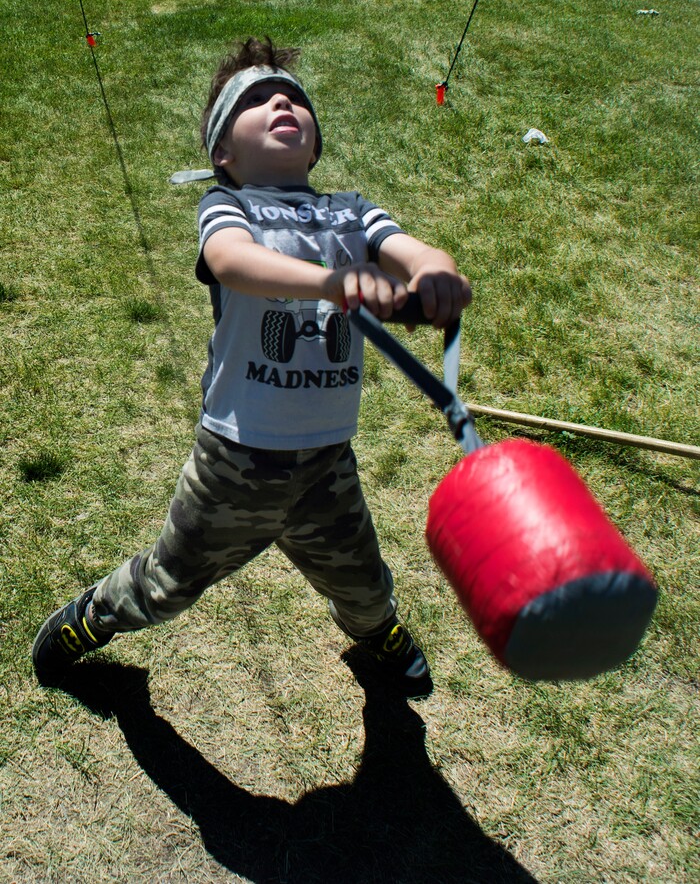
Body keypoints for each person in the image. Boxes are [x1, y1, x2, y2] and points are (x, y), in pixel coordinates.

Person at [32, 37, 471, 698]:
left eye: (294, 97)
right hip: (234, 461)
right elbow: (234, 261)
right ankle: (96, 614)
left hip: (326, 462)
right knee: (167, 584)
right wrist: (334, 282)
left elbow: (414, 250)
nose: (281, 101)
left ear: (314, 143)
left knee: (363, 580)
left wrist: (434, 273)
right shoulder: (227, 206)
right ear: (222, 153)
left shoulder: (349, 210)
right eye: (257, 99)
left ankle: (375, 629)